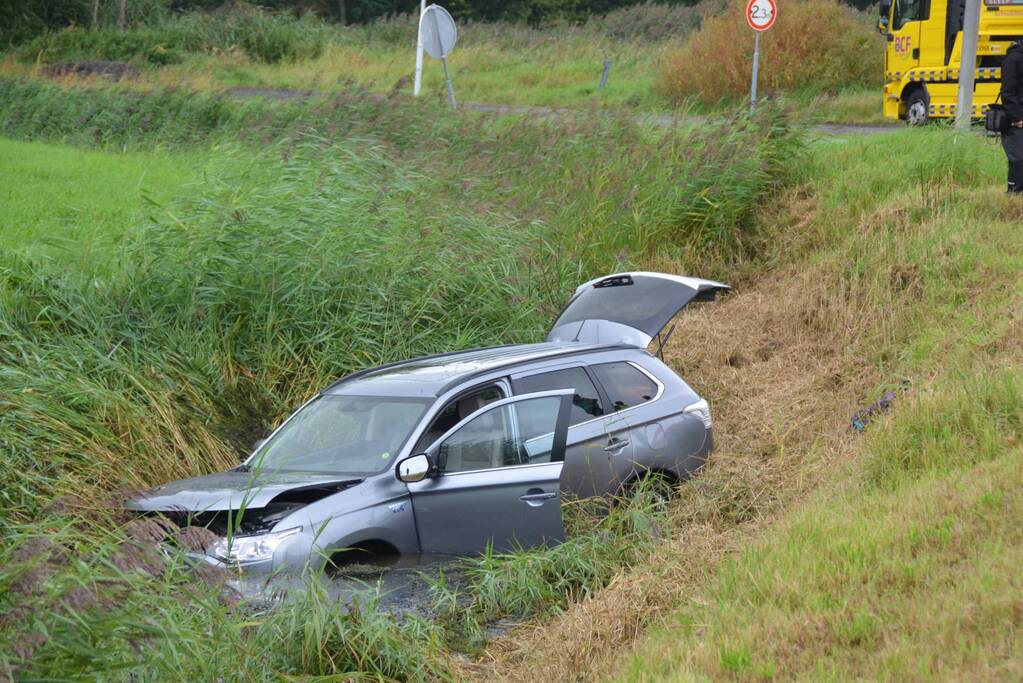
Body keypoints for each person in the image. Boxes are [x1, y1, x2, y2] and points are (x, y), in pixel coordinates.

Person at [1000, 40, 1023, 193]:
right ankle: (1013, 192)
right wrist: (1017, 118)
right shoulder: (1013, 60)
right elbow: (1007, 92)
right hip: (1016, 121)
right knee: (1018, 159)